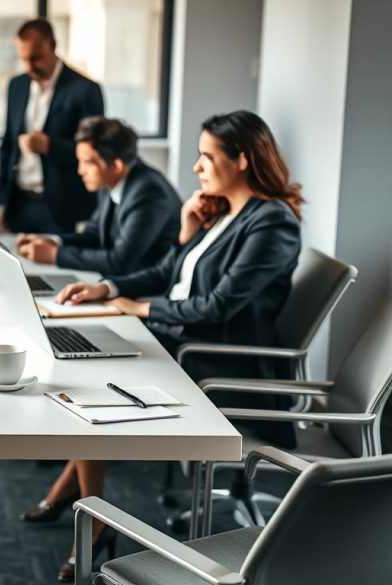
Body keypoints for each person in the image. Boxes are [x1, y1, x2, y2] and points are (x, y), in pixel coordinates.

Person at [22, 110, 303, 582]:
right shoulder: (224, 212)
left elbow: (216, 307)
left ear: (243, 159)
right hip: (188, 347)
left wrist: (139, 308)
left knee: (95, 381)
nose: (196, 167)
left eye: (207, 156)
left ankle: (89, 525)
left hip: (227, 374)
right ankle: (76, 499)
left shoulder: (271, 224)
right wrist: (108, 288)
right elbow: (169, 273)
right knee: (89, 360)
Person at [15, 116, 181, 277]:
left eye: (88, 163)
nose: (80, 171)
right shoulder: (110, 181)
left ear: (116, 165)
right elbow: (93, 236)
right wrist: (52, 241)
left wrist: (54, 255)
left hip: (148, 292)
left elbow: (120, 262)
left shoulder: (149, 193)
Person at [0, 18, 105, 235]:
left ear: (53, 46)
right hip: (19, 203)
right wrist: (2, 202)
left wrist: (49, 146)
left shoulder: (86, 90)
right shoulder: (16, 86)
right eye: (24, 59)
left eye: (36, 58)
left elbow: (96, 151)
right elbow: (8, 144)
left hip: (61, 207)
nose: (29, 67)